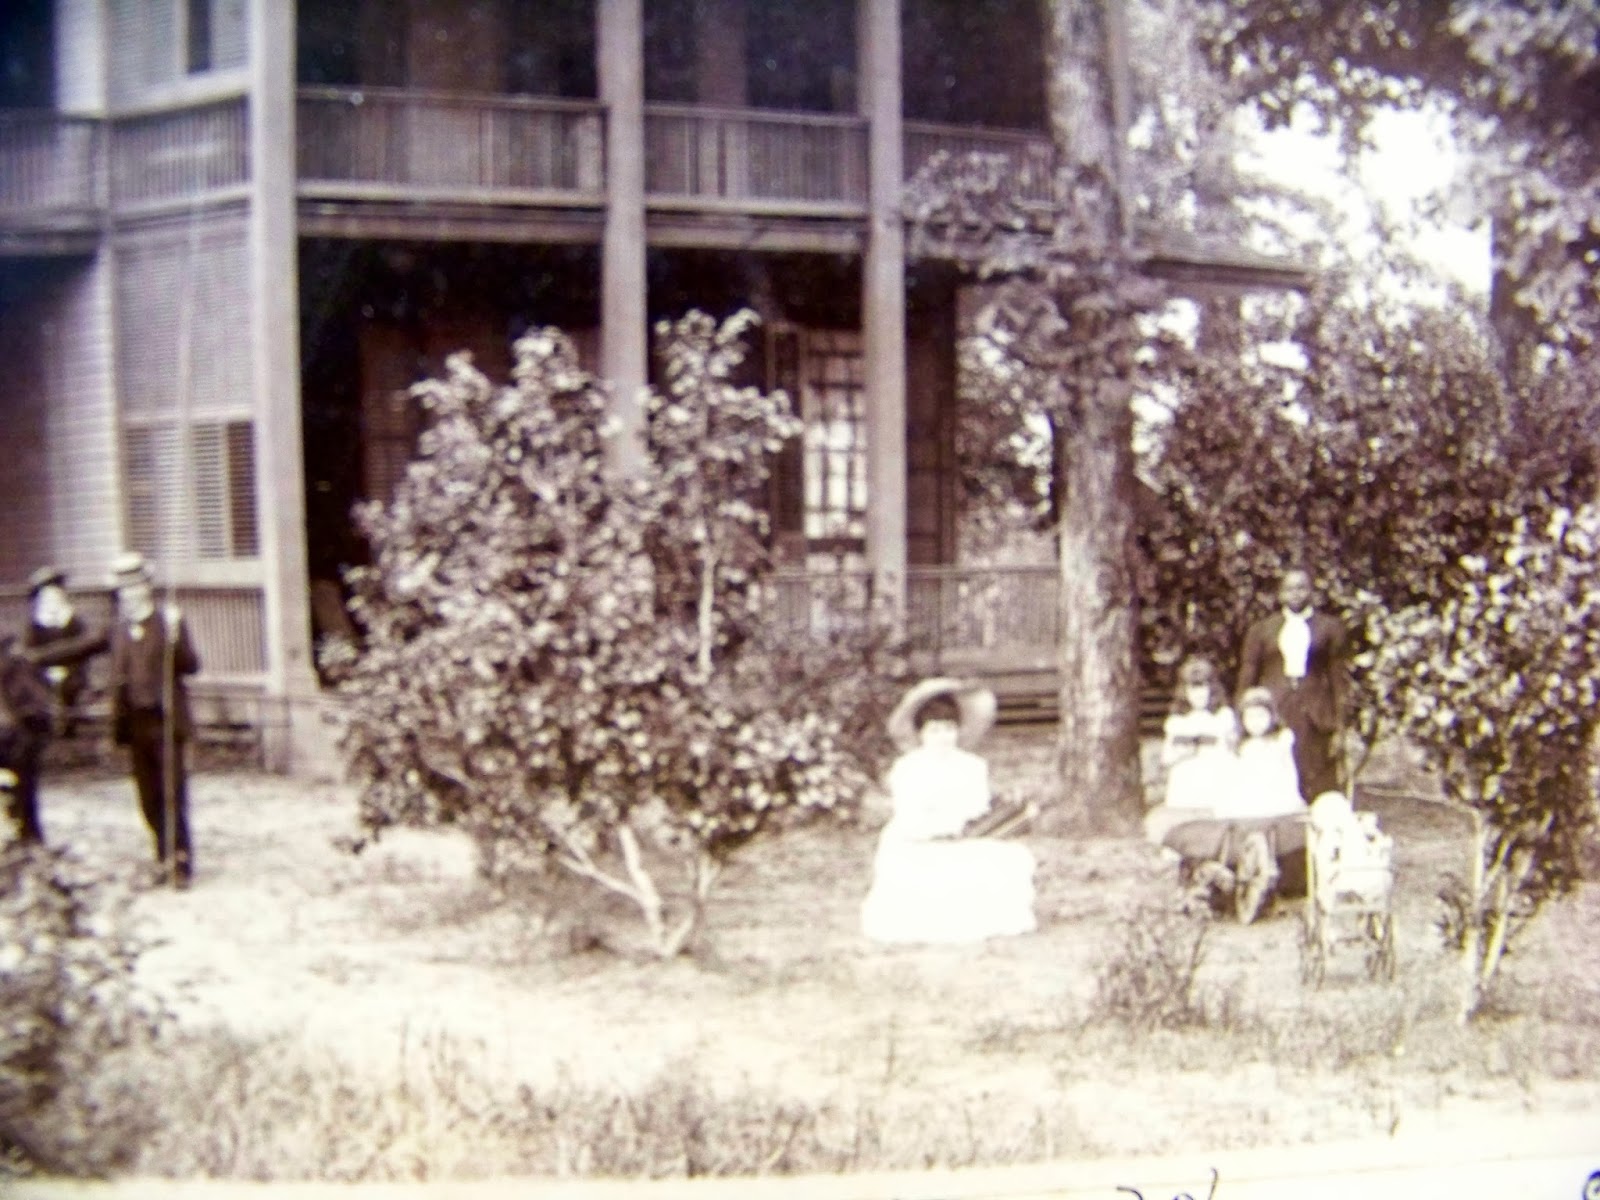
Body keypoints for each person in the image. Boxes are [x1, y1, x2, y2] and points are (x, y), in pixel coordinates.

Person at [861, 678, 1036, 945]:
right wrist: (937, 827)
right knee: (928, 871)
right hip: (917, 840)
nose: (943, 737)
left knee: (1008, 858)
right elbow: (909, 815)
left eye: (949, 729)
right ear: (921, 734)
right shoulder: (909, 768)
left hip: (963, 836)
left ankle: (982, 915)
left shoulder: (972, 766)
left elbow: (976, 807)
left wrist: (976, 823)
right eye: (934, 730)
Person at [107, 551, 201, 888]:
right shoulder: (118, 629)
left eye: (135, 587)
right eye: (123, 589)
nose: (128, 595)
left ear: (147, 588)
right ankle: (161, 854)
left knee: (172, 792)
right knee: (147, 798)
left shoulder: (168, 621)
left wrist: (176, 637)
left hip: (166, 722)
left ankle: (179, 862)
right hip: (135, 726)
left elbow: (191, 666)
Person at [1236, 566, 1349, 802]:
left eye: (1301, 588)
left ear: (1311, 592)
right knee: (1278, 769)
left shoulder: (1330, 628)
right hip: (1276, 709)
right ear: (1280, 594)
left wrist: (1341, 725)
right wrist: (1240, 717)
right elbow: (1248, 676)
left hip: (1315, 710)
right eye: (1289, 589)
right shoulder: (1262, 630)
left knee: (1317, 772)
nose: (1295, 594)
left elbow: (1339, 680)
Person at [1158, 656, 1239, 810]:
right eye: (1193, 689)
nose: (1198, 694)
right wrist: (1182, 752)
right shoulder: (1178, 721)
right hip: (1187, 777)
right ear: (1185, 692)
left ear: (1211, 689)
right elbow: (1166, 758)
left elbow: (1233, 752)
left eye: (1203, 688)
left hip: (1215, 773)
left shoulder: (1222, 717)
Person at [23, 566, 95, 736]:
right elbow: (29, 658)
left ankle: (70, 729)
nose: (52, 604)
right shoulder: (34, 628)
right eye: (47, 600)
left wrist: (68, 671)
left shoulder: (74, 623)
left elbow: (82, 653)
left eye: (56, 599)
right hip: (44, 681)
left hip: (72, 679)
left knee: (72, 695)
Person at [0, 632, 56, 844]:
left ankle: (28, 832)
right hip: (14, 733)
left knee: (24, 784)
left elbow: (37, 700)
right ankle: (26, 831)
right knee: (23, 785)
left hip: (17, 735)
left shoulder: (15, 661)